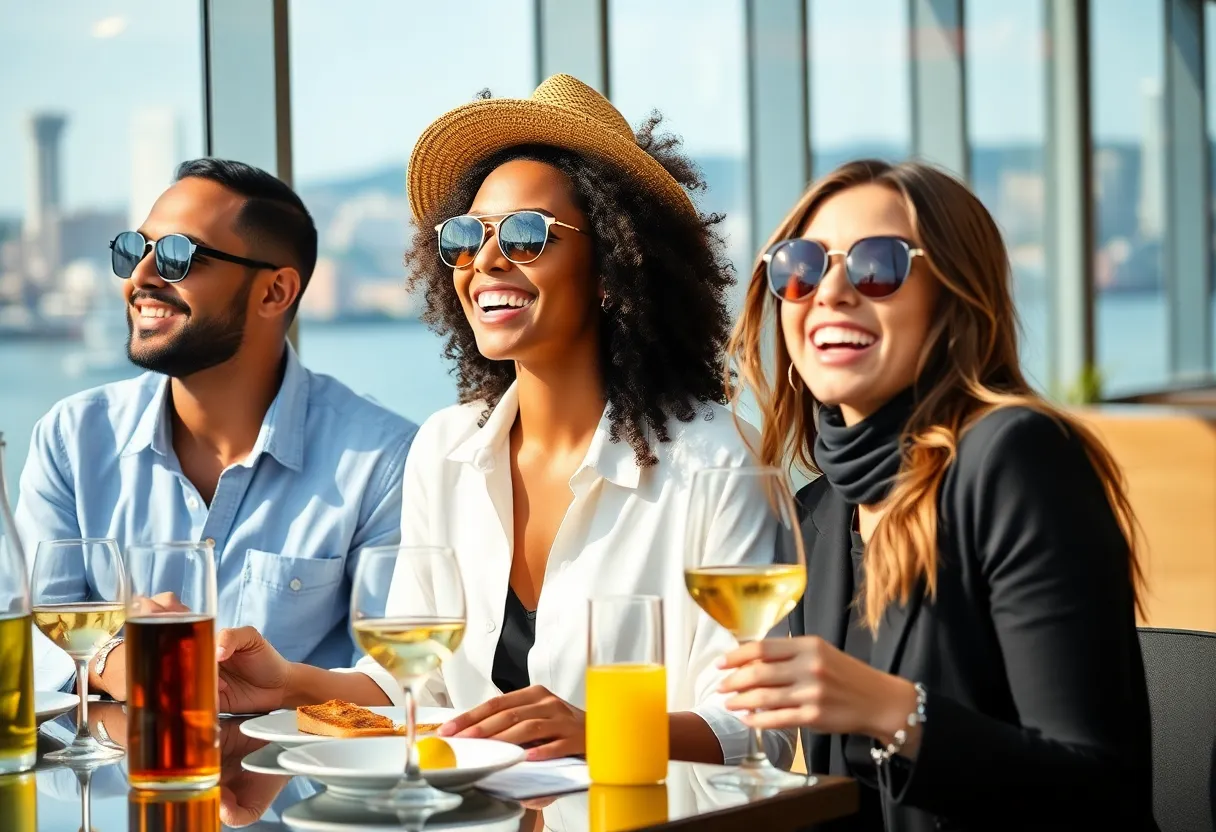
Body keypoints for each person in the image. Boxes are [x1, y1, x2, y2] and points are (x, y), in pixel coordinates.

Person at [213, 74, 795, 768]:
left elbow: (760, 725)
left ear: (611, 267)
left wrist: (605, 732)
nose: (485, 260)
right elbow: (421, 692)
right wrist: (290, 684)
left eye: (525, 235)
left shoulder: (716, 462)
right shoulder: (445, 449)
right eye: (466, 237)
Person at [717, 160, 1157, 830]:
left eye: (879, 264)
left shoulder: (1018, 459)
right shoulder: (818, 514)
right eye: (803, 265)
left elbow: (1099, 787)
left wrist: (893, 712)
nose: (830, 291)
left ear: (953, 295)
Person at [17, 159, 418, 698]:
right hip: (107, 780)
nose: (141, 277)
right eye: (136, 251)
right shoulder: (72, 439)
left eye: (179, 256)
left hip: (302, 778)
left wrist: (280, 686)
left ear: (275, 292)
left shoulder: (383, 459)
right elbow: (22, 629)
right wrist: (117, 659)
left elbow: (402, 676)